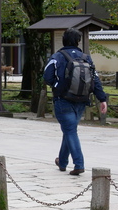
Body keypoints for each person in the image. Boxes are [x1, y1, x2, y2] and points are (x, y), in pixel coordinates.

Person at [43, 28, 107, 175]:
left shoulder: (57, 56)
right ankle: (63, 161)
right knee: (69, 130)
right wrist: (102, 98)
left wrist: (57, 86)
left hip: (63, 100)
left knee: (70, 130)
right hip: (81, 99)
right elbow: (95, 79)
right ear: (78, 41)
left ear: (64, 40)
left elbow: (47, 76)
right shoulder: (86, 58)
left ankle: (79, 163)